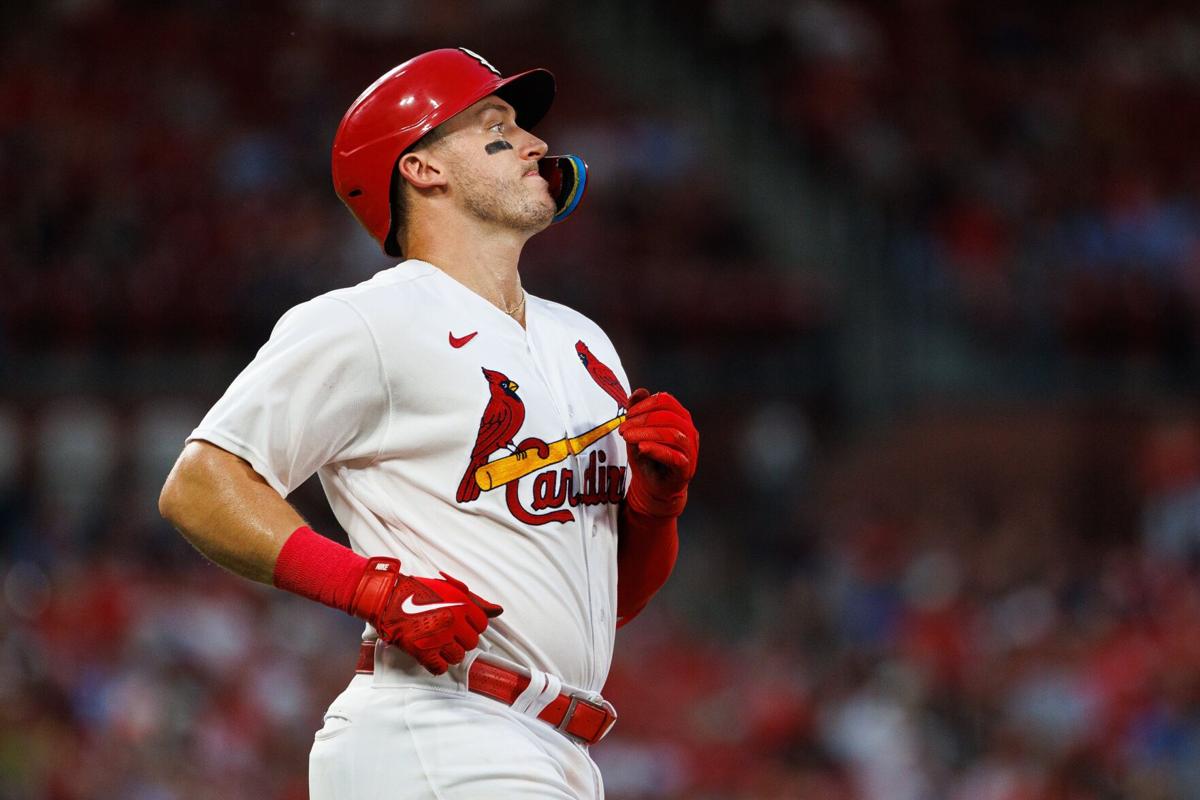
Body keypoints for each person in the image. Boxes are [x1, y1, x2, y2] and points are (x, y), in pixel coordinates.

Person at [158, 47, 699, 799]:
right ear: (423, 170)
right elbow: (200, 485)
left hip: (557, 748)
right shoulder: (371, 320)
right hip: (440, 726)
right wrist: (374, 589)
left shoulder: (584, 343)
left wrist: (655, 511)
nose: (537, 145)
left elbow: (609, 605)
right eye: (497, 131)